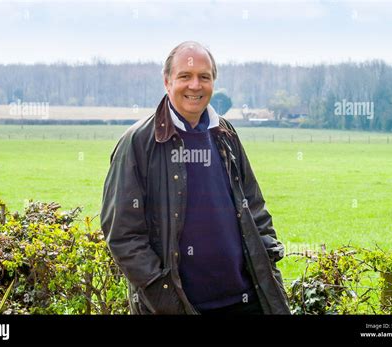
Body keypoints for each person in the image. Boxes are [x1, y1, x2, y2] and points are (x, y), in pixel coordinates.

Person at [100, 41, 290, 315]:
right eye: (185, 76)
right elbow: (122, 234)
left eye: (204, 77)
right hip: (182, 307)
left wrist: (269, 258)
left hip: (247, 302)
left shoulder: (225, 134)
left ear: (213, 82)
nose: (195, 85)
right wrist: (165, 299)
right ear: (167, 82)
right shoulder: (138, 142)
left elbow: (253, 205)